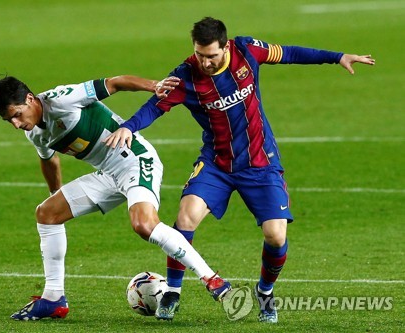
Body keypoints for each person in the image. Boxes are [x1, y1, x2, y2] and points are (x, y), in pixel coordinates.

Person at [104, 17, 375, 323]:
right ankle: (173, 292)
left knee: (275, 235)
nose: (204, 62)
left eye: (211, 55)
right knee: (185, 216)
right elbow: (155, 106)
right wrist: (128, 127)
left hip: (260, 163)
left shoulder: (247, 51)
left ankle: (265, 292)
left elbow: (289, 53)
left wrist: (337, 57)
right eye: (199, 54)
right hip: (217, 163)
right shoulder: (186, 76)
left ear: (225, 46)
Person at [0, 74, 232, 321]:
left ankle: (212, 280)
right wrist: (56, 195)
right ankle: (54, 298)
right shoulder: (34, 132)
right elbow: (49, 161)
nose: (15, 124)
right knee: (47, 213)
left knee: (144, 225)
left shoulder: (62, 99)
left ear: (31, 99)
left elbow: (114, 83)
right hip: (108, 174)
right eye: (8, 120)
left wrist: (153, 86)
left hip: (135, 159)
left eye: (16, 115)